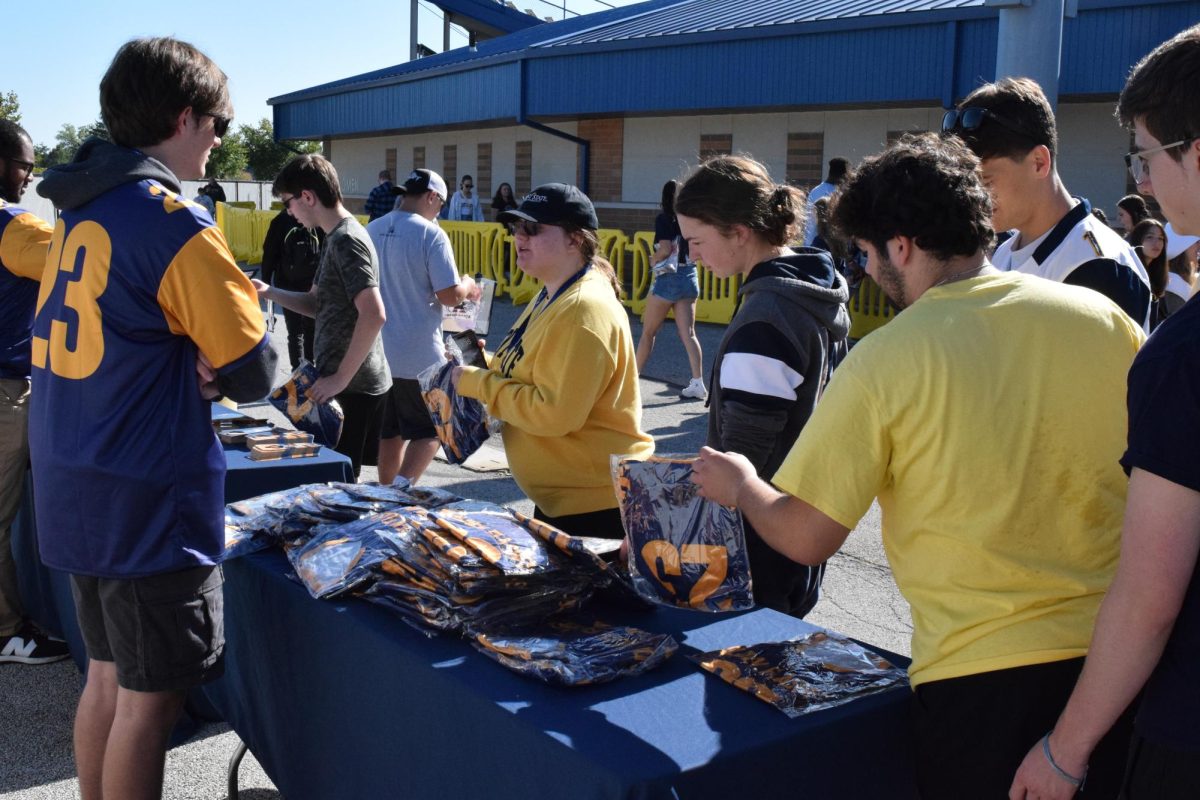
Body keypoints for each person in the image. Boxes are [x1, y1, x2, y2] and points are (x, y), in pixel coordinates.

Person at [691, 133, 1143, 800]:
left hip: (979, 678)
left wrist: (745, 487)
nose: (868, 270)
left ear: (901, 246)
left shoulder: (889, 359)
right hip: (1121, 665)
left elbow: (808, 533)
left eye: (868, 254)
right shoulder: (1102, 319)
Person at [31, 37, 277, 800]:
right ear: (184, 116)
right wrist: (210, 358)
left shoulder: (79, 209)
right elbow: (254, 371)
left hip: (79, 480)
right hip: (146, 497)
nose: (219, 141)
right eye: (219, 124)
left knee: (106, 675)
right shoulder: (171, 221)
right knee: (150, 700)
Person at [1008, 24, 1200, 800]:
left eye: (1148, 154)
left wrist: (1065, 749)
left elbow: (1150, 593)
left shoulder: (1183, 356)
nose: (1144, 182)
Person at [675, 155, 849, 617]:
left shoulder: (766, 321)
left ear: (739, 230)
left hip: (758, 552)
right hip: (794, 528)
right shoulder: (808, 288)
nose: (691, 255)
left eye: (697, 240)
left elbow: (741, 464)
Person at [453, 184, 653, 538]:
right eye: (516, 228)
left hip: (596, 510)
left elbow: (555, 413)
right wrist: (480, 360)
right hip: (570, 501)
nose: (519, 237)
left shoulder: (581, 307)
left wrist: (474, 381)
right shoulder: (552, 292)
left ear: (575, 240)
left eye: (533, 229)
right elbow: (534, 371)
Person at [945, 77, 1152, 329]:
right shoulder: (1003, 252)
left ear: (1039, 162)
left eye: (985, 180)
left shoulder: (1098, 267)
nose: (973, 193)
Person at [254, 154, 391, 477]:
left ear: (307, 197)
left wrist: (338, 379)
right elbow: (317, 303)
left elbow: (374, 314)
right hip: (344, 384)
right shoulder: (335, 237)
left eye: (287, 203)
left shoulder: (346, 240)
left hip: (352, 389)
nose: (287, 212)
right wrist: (268, 292)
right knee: (333, 485)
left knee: (339, 488)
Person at [0, 119, 69, 666]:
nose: (30, 176)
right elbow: (82, 264)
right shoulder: (15, 228)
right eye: (25, 164)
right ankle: (6, 632)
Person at [367, 169, 479, 484]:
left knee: (390, 430)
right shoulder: (431, 234)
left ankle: (385, 489)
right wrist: (467, 285)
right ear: (432, 198)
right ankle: (400, 491)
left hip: (378, 352)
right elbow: (448, 296)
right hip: (419, 355)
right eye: (440, 204)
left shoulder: (372, 228)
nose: (439, 212)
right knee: (430, 432)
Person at [635, 180, 705, 400]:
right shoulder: (692, 219)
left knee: (648, 332)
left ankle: (632, 380)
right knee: (689, 334)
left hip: (669, 278)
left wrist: (652, 259)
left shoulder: (665, 219)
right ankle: (698, 382)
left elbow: (665, 249)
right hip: (690, 275)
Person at [260, 207, 323, 370]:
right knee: (311, 328)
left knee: (295, 331)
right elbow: (325, 251)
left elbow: (269, 254)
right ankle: (310, 367)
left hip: (287, 284)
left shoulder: (279, 222)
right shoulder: (314, 220)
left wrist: (266, 281)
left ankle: (297, 372)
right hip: (312, 283)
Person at [1128, 218, 1169, 328]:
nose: (1156, 243)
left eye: (1161, 238)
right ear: (1138, 239)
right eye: (1149, 237)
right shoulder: (1129, 273)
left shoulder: (1158, 276)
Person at [802, 157, 849, 245]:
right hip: (832, 248)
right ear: (844, 174)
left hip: (812, 245)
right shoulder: (840, 193)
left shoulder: (815, 191)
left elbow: (809, 224)